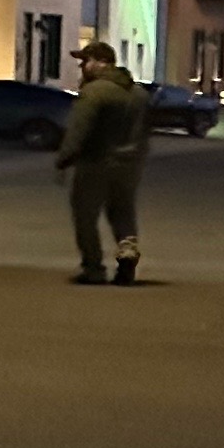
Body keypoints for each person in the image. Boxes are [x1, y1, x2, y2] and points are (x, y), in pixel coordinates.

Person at [55, 32, 149, 284]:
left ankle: (93, 267)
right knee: (122, 211)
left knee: (85, 215)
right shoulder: (139, 94)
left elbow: (79, 130)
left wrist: (64, 159)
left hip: (96, 163)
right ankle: (127, 251)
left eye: (85, 61)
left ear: (100, 62)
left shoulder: (94, 92)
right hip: (130, 165)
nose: (82, 67)